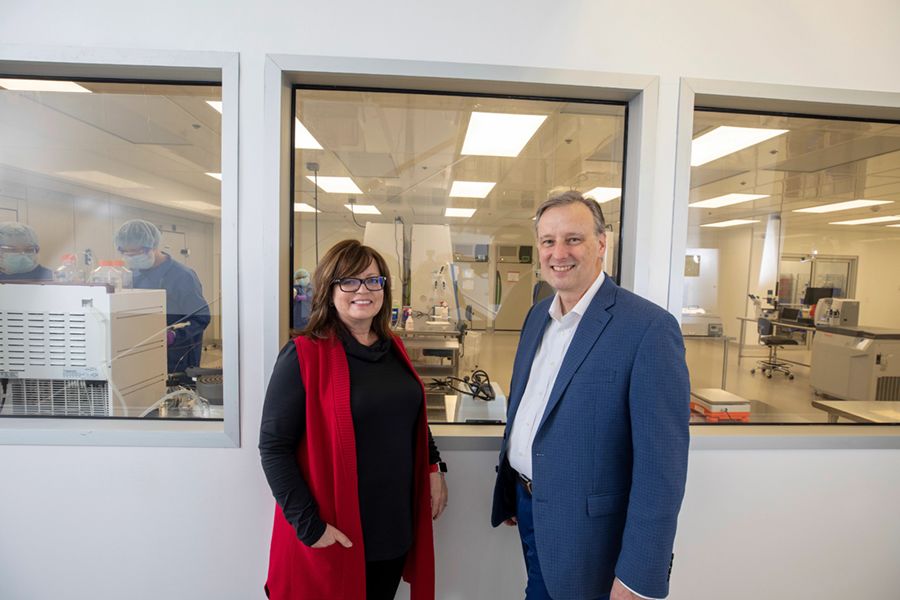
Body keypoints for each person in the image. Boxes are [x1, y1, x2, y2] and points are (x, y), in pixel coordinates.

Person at [491, 191, 690, 600]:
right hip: (530, 507)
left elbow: (662, 470)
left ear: (602, 244)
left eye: (573, 239)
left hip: (591, 534)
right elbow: (534, 408)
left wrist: (638, 576)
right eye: (548, 241)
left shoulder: (648, 329)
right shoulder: (536, 317)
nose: (558, 252)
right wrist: (518, 483)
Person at [260, 239, 448, 600]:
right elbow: (274, 447)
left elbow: (411, 417)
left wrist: (433, 465)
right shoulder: (304, 355)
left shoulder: (393, 348)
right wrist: (310, 527)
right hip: (336, 530)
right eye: (349, 281)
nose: (363, 290)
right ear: (329, 289)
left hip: (392, 528)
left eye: (373, 280)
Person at [114, 219, 210, 373]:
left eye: (137, 253)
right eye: (126, 253)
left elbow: (201, 318)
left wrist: (173, 336)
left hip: (176, 359)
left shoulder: (182, 276)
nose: (131, 258)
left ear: (153, 246)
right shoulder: (132, 275)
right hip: (140, 356)